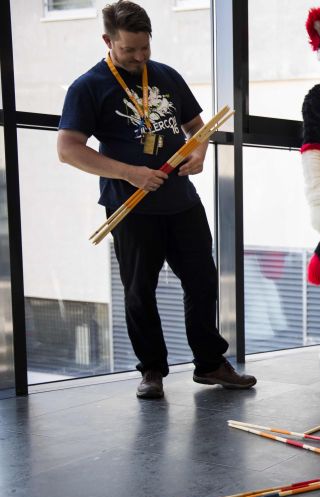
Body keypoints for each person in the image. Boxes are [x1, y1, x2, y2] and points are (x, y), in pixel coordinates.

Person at [57, 0, 255, 399]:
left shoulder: (164, 75)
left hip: (182, 201)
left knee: (202, 281)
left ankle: (210, 363)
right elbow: (68, 149)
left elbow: (197, 128)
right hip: (129, 208)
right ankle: (151, 371)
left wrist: (198, 152)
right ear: (108, 41)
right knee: (138, 290)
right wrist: (130, 173)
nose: (138, 56)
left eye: (144, 47)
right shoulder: (88, 86)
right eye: (129, 49)